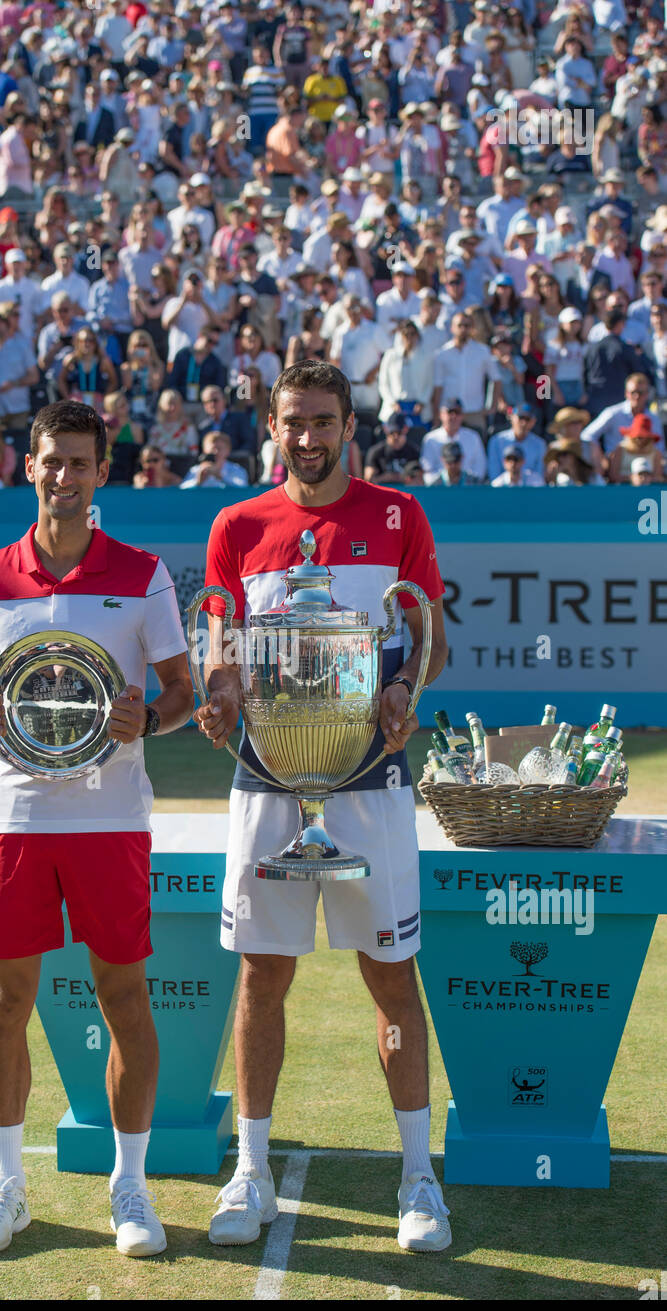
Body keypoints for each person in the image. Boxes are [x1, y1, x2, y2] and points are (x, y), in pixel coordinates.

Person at [194, 362, 452, 1253]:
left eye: (322, 421)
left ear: (350, 426)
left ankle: (418, 1179)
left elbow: (431, 643)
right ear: (272, 426)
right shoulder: (238, 524)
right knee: (263, 975)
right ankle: (251, 1172)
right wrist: (222, 697)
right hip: (267, 781)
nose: (307, 438)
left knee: (391, 978)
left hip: (373, 780)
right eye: (292, 422)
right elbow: (222, 644)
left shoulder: (398, 516)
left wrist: (401, 694)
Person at [0, 400, 194, 1260]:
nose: (64, 477)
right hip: (13, 816)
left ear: (100, 473)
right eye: (51, 461)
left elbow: (180, 693)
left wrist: (145, 721)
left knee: (123, 997)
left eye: (80, 463)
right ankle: (6, 1187)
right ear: (29, 465)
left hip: (109, 818)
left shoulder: (144, 573)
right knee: (7, 999)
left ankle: (130, 1187)